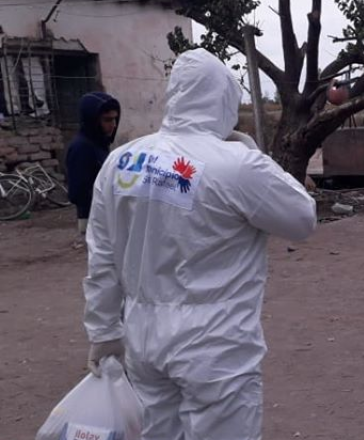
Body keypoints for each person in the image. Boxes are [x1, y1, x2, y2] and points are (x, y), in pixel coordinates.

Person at [82, 48, 317, 440]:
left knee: (157, 432)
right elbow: (302, 219)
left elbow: (102, 255)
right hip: (215, 343)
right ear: (224, 100)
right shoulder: (238, 164)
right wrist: (249, 150)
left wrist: (104, 330)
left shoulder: (120, 161)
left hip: (142, 336)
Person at [66, 92, 120, 234]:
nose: (113, 125)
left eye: (115, 119)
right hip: (94, 218)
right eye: (107, 120)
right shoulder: (82, 147)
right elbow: (78, 192)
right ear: (93, 120)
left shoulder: (100, 143)